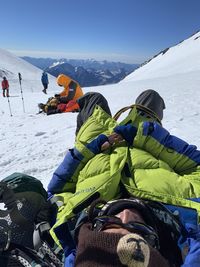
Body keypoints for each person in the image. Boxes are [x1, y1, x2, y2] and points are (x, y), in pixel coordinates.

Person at [47, 89, 200, 266]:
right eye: (140, 232)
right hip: (146, 145)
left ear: (92, 230)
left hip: (97, 148)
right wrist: (147, 136)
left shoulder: (69, 227)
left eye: (110, 225)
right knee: (151, 97)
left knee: (92, 100)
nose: (126, 214)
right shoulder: (187, 221)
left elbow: (57, 190)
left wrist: (87, 150)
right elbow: (196, 165)